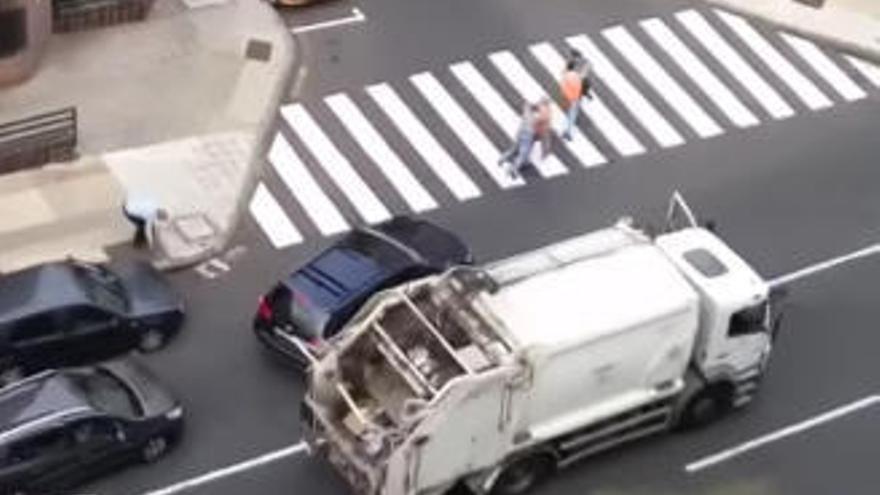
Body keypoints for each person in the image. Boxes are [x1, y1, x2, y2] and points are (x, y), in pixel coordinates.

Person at [498, 98, 552, 179]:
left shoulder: (528, 110)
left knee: (514, 148)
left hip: (521, 131)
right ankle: (513, 169)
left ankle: (502, 159)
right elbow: (542, 131)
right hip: (528, 134)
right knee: (523, 153)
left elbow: (527, 106)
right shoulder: (543, 116)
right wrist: (545, 150)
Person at [561, 49, 594, 141]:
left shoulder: (567, 72)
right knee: (573, 112)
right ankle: (568, 131)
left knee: (572, 110)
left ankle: (567, 131)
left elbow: (566, 69)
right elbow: (585, 72)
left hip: (571, 92)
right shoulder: (576, 74)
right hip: (575, 95)